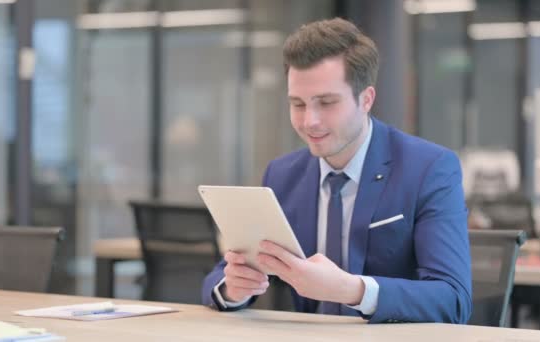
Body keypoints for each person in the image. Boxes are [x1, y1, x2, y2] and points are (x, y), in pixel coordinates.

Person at [202, 17, 472, 324]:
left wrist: (351, 290)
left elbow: (453, 300)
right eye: (298, 104)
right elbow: (218, 278)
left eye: (326, 103)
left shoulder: (429, 169)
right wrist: (235, 288)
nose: (309, 122)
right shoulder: (283, 175)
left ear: (366, 99)